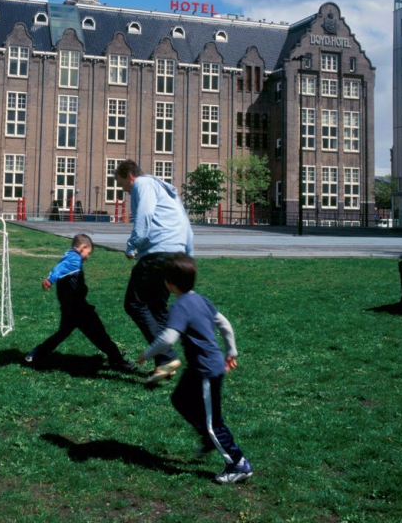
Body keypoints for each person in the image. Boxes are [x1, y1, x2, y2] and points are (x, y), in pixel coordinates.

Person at [137, 253, 253, 485]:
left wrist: (148, 353)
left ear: (168, 283)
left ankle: (238, 463)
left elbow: (168, 339)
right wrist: (231, 351)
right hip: (199, 368)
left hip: (206, 371)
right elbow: (225, 324)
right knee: (179, 399)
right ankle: (209, 438)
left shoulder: (180, 306)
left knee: (213, 422)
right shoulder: (201, 300)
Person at [114, 160, 193, 385]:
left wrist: (132, 246)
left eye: (121, 184)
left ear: (129, 176)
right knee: (157, 309)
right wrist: (188, 256)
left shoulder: (143, 185)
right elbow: (186, 225)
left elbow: (144, 216)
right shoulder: (169, 193)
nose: (123, 190)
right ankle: (177, 355)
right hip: (175, 254)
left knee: (134, 304)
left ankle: (167, 357)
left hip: (157, 254)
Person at [24, 233, 136, 373]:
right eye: (88, 253)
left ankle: (35, 355)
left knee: (63, 333)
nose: (87, 257)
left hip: (70, 307)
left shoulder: (69, 255)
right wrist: (50, 279)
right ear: (82, 247)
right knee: (100, 334)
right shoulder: (73, 260)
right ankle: (118, 361)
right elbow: (59, 268)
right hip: (79, 308)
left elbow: (61, 267)